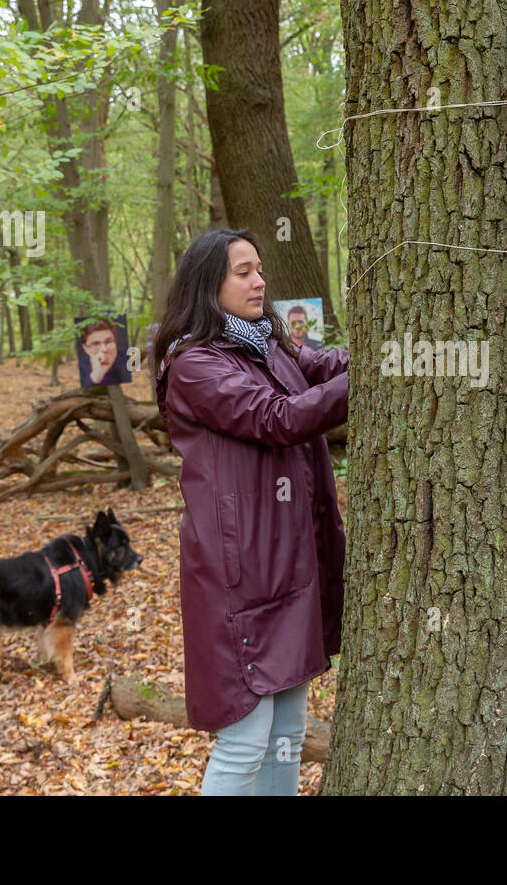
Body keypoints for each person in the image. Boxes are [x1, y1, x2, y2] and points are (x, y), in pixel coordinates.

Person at [153, 228, 348, 796]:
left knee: (287, 727)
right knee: (245, 735)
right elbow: (276, 418)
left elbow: (322, 365)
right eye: (243, 272)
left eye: (259, 269)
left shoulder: (267, 344)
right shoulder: (195, 363)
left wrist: (382, 356)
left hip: (288, 564)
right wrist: (372, 380)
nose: (259, 281)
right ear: (207, 285)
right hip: (237, 572)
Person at [77, 318, 131, 386]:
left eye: (108, 341)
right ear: (86, 348)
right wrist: (96, 377)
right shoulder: (81, 368)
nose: (104, 349)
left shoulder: (128, 360)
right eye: (95, 344)